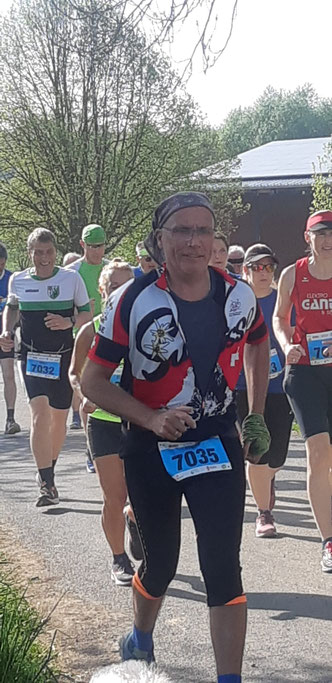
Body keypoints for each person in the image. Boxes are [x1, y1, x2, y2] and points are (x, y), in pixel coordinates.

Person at [81, 192, 270, 683]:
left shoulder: (238, 294)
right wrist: (149, 418)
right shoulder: (132, 299)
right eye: (181, 231)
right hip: (150, 445)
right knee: (161, 562)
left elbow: (257, 340)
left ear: (213, 240)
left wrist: (256, 414)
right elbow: (93, 379)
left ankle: (230, 677)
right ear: (160, 238)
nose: (193, 241)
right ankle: (140, 636)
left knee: (223, 564)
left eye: (202, 231)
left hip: (217, 440)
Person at [0, 228, 91, 506]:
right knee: (39, 414)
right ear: (30, 253)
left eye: (48, 252)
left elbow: (86, 314)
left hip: (64, 357)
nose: (43, 258)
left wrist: (69, 323)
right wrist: (6, 331)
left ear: (55, 252)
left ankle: (48, 469)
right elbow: (12, 308)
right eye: (38, 253)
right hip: (31, 356)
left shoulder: (70, 278)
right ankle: (46, 482)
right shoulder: (19, 279)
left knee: (58, 421)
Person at [69, 260, 141, 586]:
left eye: (128, 287)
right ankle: (118, 559)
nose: (121, 293)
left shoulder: (148, 329)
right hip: (102, 421)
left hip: (140, 421)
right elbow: (75, 372)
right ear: (103, 291)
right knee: (114, 495)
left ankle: (134, 518)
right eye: (114, 287)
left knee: (141, 494)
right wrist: (86, 392)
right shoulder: (91, 330)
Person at [273, 209, 332, 573]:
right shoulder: (293, 273)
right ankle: (329, 540)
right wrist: (285, 345)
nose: (327, 241)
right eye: (320, 234)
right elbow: (280, 317)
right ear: (307, 238)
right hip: (304, 372)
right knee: (318, 452)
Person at [237, 244, 294, 538]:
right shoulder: (237, 301)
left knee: (278, 456)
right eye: (257, 267)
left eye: (268, 267)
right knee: (255, 450)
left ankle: (266, 479)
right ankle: (264, 513)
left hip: (280, 386)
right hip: (242, 388)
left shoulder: (282, 302)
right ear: (245, 270)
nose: (263, 273)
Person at [67, 224, 109, 459]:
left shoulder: (111, 269)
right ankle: (90, 444)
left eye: (101, 246)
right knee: (87, 388)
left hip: (110, 335)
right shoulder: (72, 272)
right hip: (81, 335)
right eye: (92, 246)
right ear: (82, 245)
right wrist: (80, 314)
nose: (97, 251)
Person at [0, 242, 21, 435]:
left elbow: (17, 310)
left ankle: (10, 418)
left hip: (5, 335)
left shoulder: (11, 279)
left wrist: (10, 330)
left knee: (8, 374)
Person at [62, 251, 83, 429]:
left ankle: (78, 413)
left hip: (85, 332)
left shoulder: (79, 281)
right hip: (71, 336)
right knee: (75, 373)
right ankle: (76, 413)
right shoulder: (63, 284)